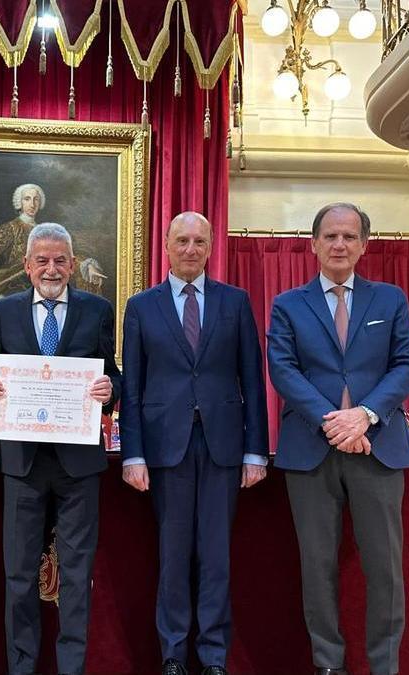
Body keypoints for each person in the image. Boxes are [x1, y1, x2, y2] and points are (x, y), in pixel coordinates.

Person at [266, 203, 409, 675]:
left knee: (385, 569)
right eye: (330, 236)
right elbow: (283, 370)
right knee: (317, 567)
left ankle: (384, 666)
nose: (339, 245)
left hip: (379, 447)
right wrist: (335, 422)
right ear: (313, 244)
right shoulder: (288, 304)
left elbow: (406, 365)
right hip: (311, 449)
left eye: (349, 237)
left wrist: (365, 417)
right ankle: (328, 665)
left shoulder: (389, 299)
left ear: (364, 246)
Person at [118, 212, 269, 675]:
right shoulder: (142, 306)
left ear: (210, 248)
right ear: (165, 244)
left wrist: (255, 450)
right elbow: (134, 387)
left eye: (199, 241)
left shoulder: (235, 302)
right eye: (181, 240)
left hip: (224, 447)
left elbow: (252, 379)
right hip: (166, 450)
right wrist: (133, 453)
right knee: (173, 555)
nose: (190, 249)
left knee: (216, 557)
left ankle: (214, 657)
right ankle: (172, 655)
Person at [0, 222, 121, 675]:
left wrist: (108, 390)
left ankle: (71, 667)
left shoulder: (97, 309)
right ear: (27, 266)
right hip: (22, 460)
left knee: (77, 576)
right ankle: (22, 666)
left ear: (73, 265)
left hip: (78, 464)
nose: (52, 269)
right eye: (43, 261)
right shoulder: (7, 312)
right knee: (19, 574)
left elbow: (114, 376)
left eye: (61, 261)